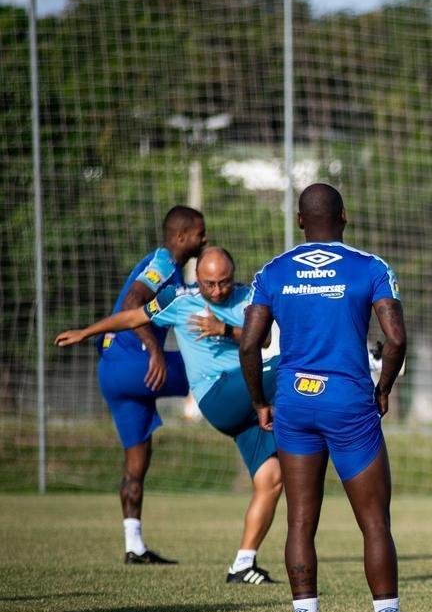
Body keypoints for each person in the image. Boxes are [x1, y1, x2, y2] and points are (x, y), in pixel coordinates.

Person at [239, 183, 432, 612]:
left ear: (301, 221)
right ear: (344, 216)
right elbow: (396, 338)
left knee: (300, 523)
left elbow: (248, 345)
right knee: (373, 523)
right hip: (348, 403)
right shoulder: (370, 267)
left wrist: (261, 403)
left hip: (294, 403)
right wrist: (383, 389)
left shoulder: (273, 272)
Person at [57, 246, 283, 585]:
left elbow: (262, 338)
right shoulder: (179, 300)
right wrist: (87, 331)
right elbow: (132, 316)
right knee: (288, 365)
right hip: (218, 395)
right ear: (198, 280)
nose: (218, 290)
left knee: (272, 479)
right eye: (209, 284)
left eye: (224, 282)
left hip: (249, 403)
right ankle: (364, 363)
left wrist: (224, 329)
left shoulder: (249, 298)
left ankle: (243, 564)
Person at [95, 206, 207, 565]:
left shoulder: (172, 273)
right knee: (218, 368)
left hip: (112, 370)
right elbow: (133, 302)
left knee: (136, 462)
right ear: (180, 237)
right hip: (135, 364)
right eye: (199, 233)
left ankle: (134, 545)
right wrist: (155, 349)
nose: (204, 239)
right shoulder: (162, 262)